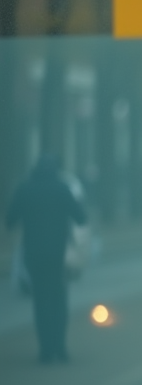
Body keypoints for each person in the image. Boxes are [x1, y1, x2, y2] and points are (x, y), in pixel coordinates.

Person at [6, 154, 88, 363]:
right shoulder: (62, 188)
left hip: (33, 254)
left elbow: (10, 220)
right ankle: (60, 348)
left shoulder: (24, 188)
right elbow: (81, 217)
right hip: (58, 255)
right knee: (59, 300)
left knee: (41, 301)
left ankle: (45, 350)